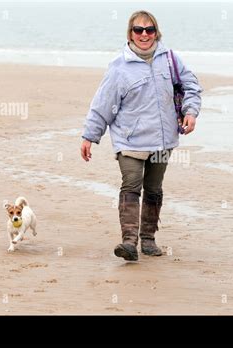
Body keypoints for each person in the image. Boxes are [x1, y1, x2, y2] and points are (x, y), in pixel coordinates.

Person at [80, 10, 202, 261]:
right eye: (138, 30)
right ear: (130, 34)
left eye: (149, 30)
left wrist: (191, 111)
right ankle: (128, 242)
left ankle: (148, 239)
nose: (144, 35)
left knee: (154, 189)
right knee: (132, 184)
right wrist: (90, 136)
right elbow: (103, 104)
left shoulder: (170, 59)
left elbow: (191, 86)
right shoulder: (119, 67)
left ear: (156, 32)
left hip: (162, 140)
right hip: (130, 141)